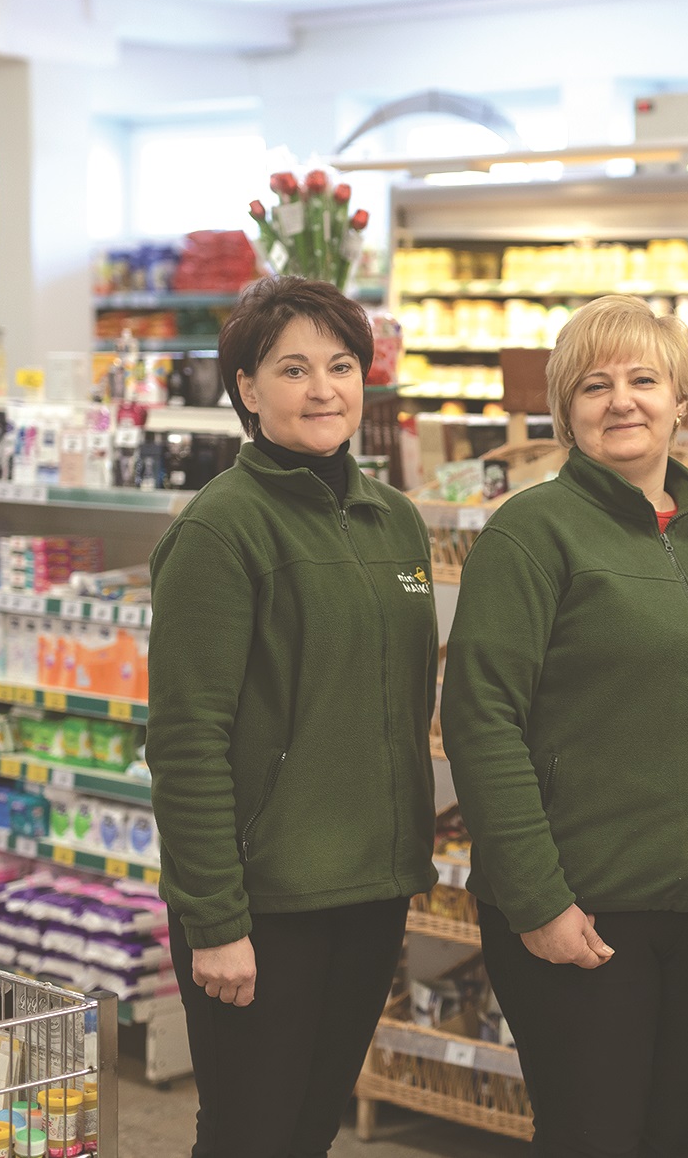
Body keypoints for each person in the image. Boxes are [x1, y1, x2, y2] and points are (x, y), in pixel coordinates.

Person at [442, 294, 688, 1158]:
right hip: (586, 911)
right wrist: (538, 896)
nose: (621, 400)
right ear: (565, 411)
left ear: (682, 400)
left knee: (673, 1137)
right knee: (592, 1139)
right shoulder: (531, 532)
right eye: (595, 385)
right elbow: (482, 719)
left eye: (643, 378)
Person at [149, 275, 439, 1157]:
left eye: (342, 365)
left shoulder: (394, 521)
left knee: (308, 1131)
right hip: (264, 901)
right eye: (294, 368)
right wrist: (216, 917)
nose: (323, 389)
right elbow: (186, 741)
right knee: (249, 1135)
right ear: (247, 388)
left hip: (369, 888)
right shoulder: (221, 531)